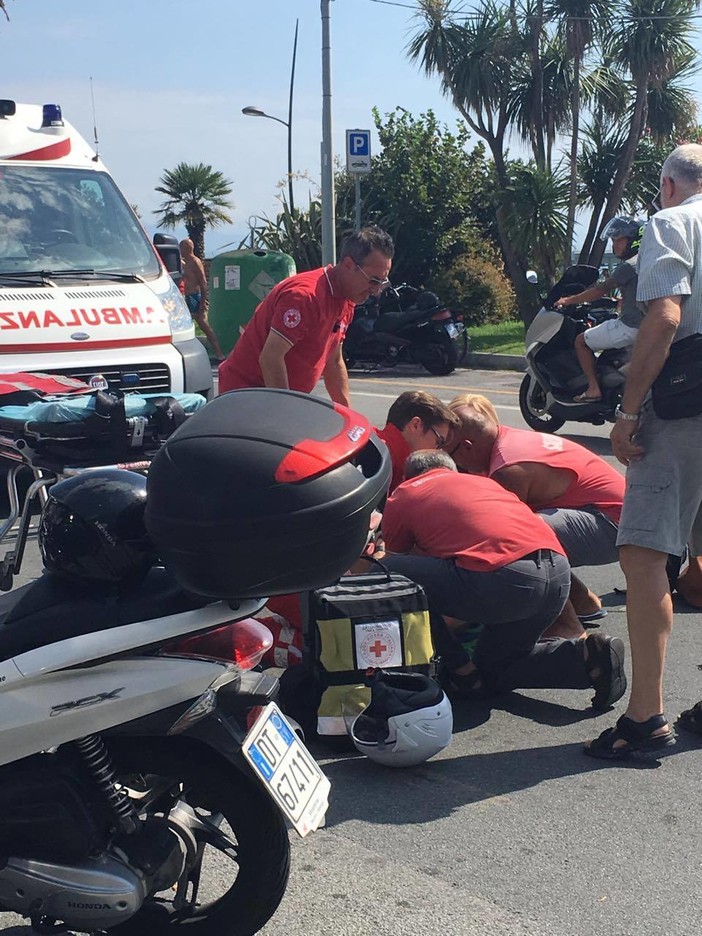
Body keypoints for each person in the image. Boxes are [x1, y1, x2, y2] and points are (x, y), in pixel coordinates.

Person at [585, 143, 702, 760]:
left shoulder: (672, 222)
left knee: (644, 553)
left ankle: (644, 719)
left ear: (668, 184)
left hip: (684, 407)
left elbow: (661, 316)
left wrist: (627, 412)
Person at [380, 450, 626, 709]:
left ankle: (460, 670)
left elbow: (401, 568)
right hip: (557, 573)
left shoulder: (405, 492)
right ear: (452, 470)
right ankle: (589, 657)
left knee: (387, 571)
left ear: (408, 476)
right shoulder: (485, 484)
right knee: (493, 670)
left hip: (505, 579)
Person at [447, 393, 625, 638]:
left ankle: (566, 625)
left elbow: (494, 535)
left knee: (520, 538)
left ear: (467, 447)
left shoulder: (508, 470)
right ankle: (583, 602)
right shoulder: (504, 440)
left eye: (450, 454)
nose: (453, 464)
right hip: (604, 514)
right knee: (526, 529)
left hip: (616, 525)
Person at [218, 226, 394, 406]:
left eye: (381, 282)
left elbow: (333, 362)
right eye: (373, 280)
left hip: (281, 397)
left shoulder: (347, 299)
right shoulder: (305, 297)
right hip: (245, 395)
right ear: (348, 265)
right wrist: (286, 412)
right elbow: (271, 357)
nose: (375, 291)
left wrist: (349, 418)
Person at [554, 217, 645, 402]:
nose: (615, 245)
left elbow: (599, 290)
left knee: (581, 341)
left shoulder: (628, 266)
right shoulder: (648, 261)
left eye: (619, 240)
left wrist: (568, 300)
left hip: (630, 327)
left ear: (633, 240)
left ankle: (593, 389)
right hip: (648, 328)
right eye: (613, 241)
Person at [375, 390, 459, 494]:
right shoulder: (382, 462)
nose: (438, 450)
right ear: (416, 425)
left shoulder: (377, 445)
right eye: (439, 441)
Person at [179, 238, 225, 362]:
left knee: (203, 324)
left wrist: (203, 301)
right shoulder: (185, 262)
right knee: (186, 323)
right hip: (187, 296)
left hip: (195, 296)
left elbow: (203, 281)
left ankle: (219, 353)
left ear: (187, 248)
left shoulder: (195, 261)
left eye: (182, 248)